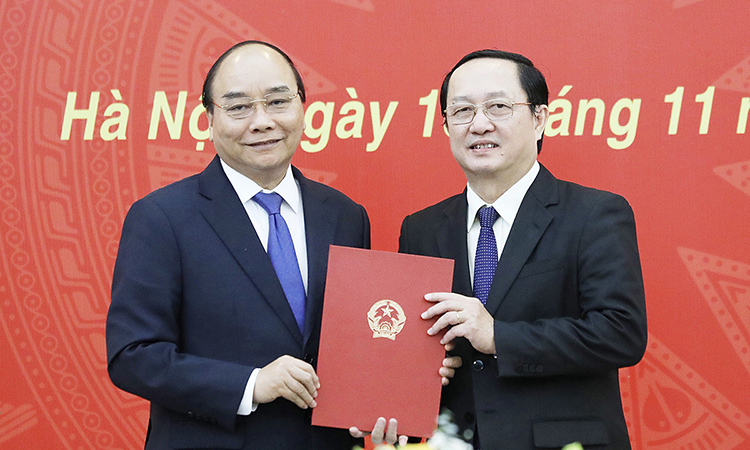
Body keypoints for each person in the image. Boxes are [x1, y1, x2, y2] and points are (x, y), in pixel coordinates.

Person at [106, 40, 450, 449]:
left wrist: (401, 380)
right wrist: (251, 384)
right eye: (238, 107)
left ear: (303, 108)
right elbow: (133, 356)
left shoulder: (344, 215)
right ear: (209, 119)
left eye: (277, 102)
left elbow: (357, 341)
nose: (262, 121)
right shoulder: (162, 217)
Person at [400, 49, 648, 449]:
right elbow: (416, 347)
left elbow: (620, 334)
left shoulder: (594, 214)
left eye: (498, 107)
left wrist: (498, 336)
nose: (479, 124)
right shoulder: (421, 229)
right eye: (461, 111)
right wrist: (396, 400)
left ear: (539, 119)